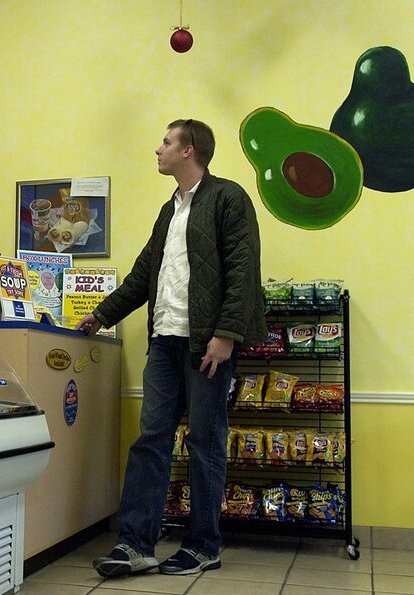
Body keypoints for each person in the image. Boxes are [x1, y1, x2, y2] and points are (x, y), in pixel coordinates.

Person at [76, 118, 267, 578]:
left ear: (189, 150)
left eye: (165, 142)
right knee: (151, 442)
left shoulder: (228, 197)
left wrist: (225, 335)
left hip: (206, 344)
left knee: (204, 443)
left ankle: (203, 546)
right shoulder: (170, 210)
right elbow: (145, 274)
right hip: (164, 341)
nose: (157, 149)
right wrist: (103, 314)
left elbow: (244, 268)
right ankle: (135, 544)